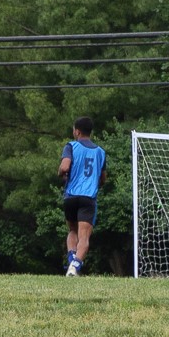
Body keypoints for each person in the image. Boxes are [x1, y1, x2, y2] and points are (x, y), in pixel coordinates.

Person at [59, 117, 107, 276]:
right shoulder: (100, 152)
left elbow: (64, 167)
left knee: (72, 230)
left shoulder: (71, 146)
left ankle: (72, 259)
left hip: (71, 196)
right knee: (84, 236)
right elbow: (103, 179)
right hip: (88, 198)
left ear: (77, 132)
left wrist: (61, 174)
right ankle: (75, 266)